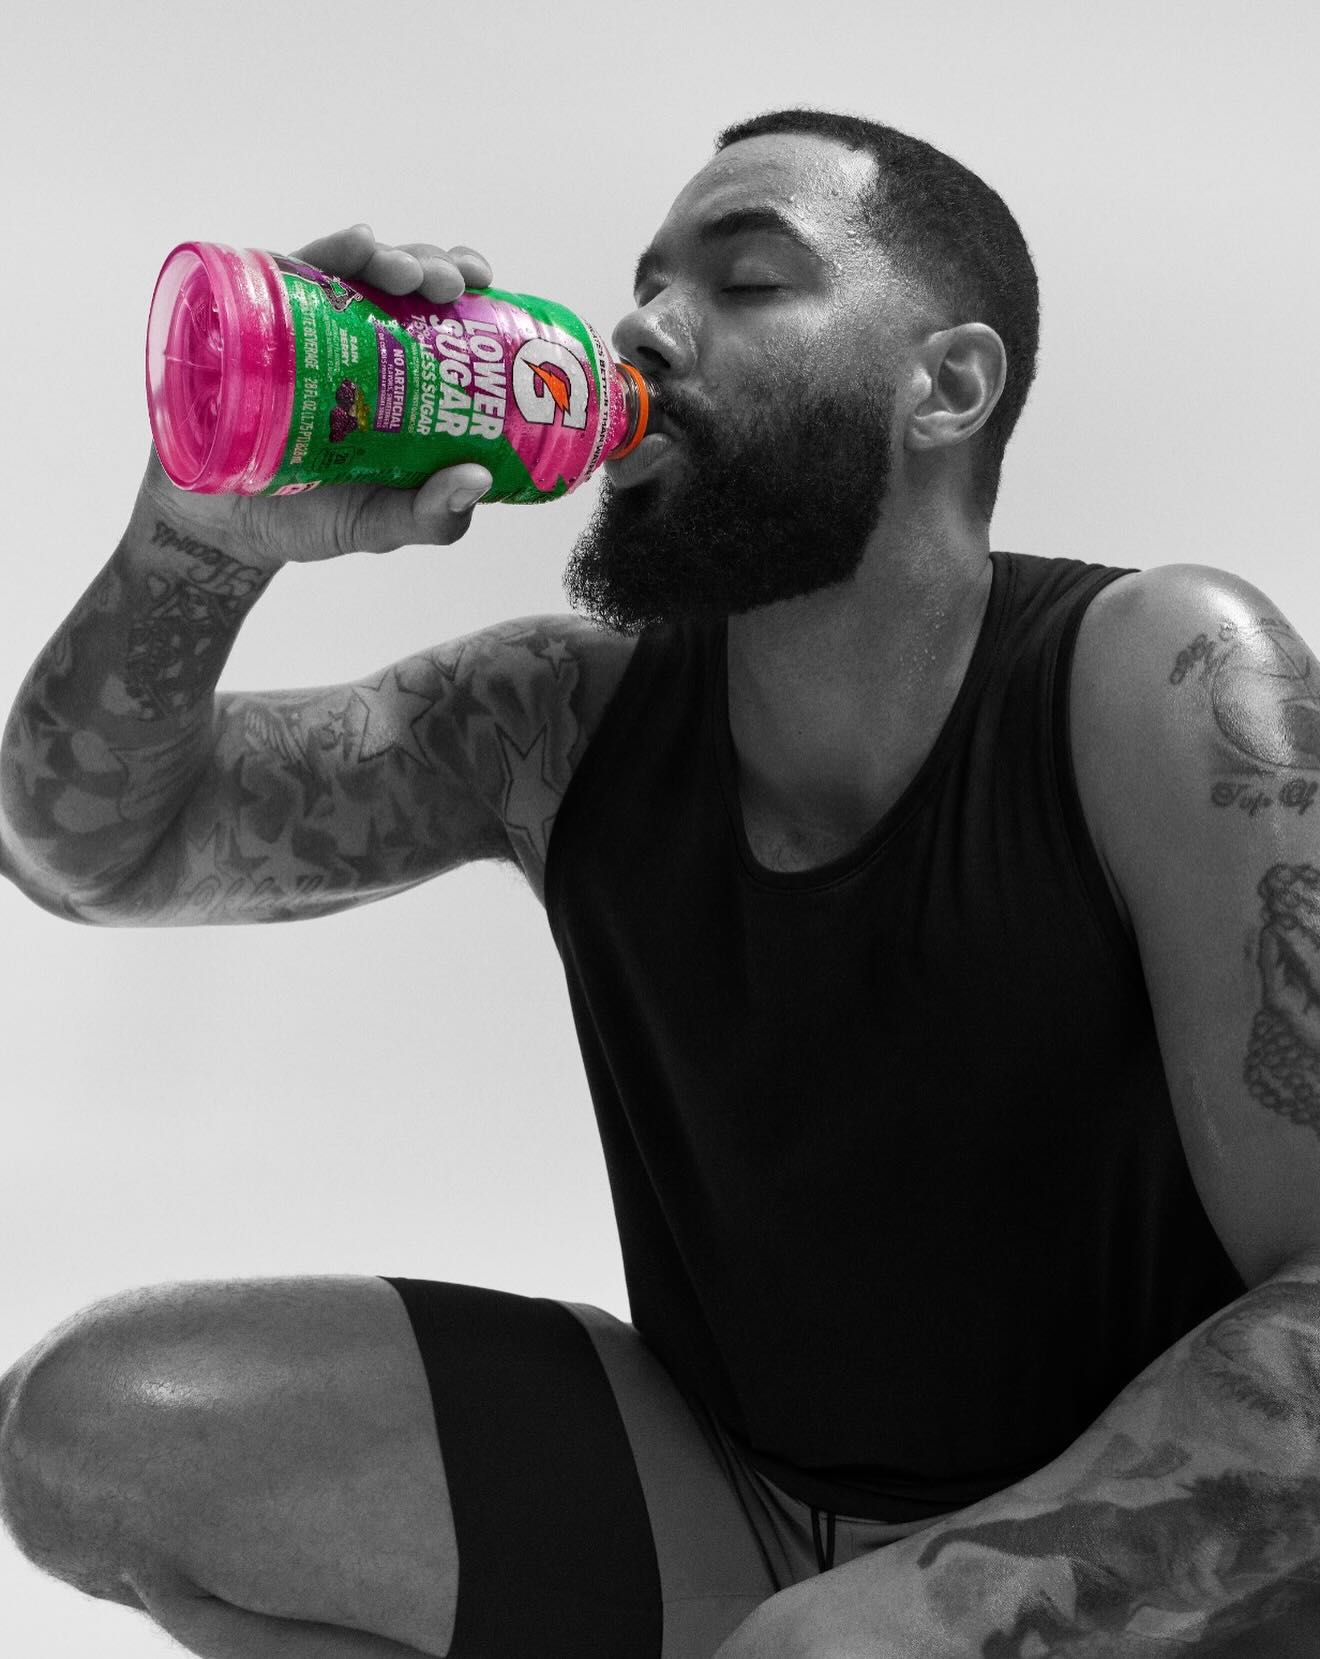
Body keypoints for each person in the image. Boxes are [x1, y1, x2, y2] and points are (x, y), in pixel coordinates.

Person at [2, 105, 1320, 1659]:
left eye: (747, 280)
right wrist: (202, 534)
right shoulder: (557, 719)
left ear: (948, 386)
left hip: (1160, 1555)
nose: (642, 327)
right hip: (738, 1503)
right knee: (84, 1434)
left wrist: (935, 1608)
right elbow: (96, 852)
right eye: (644, 284)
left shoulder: (1165, 675)